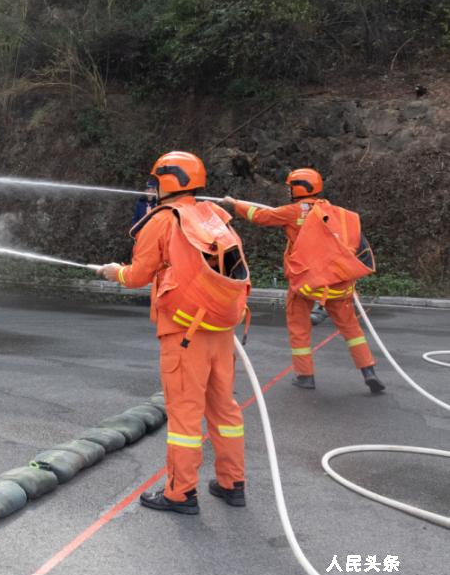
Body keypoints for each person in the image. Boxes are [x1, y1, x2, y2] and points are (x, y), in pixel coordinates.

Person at [99, 151, 250, 515]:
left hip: (185, 332)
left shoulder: (163, 220)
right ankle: (232, 484)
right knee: (224, 409)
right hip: (220, 328)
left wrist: (113, 272)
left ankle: (180, 493)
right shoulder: (213, 216)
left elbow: (137, 276)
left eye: (155, 182)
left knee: (184, 415)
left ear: (168, 181)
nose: (152, 189)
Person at [222, 168, 383, 394]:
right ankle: (369, 371)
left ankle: (305, 376)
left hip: (305, 284)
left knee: (299, 327)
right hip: (337, 281)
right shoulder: (333, 212)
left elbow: (259, 216)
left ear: (298, 188)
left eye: (290, 187)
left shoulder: (294, 211)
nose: (288, 190)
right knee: (351, 329)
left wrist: (234, 203)